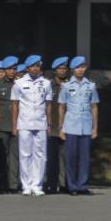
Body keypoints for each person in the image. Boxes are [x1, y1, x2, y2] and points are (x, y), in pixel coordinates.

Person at [11, 55, 52, 196]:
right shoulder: (19, 83)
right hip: (24, 122)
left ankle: (37, 185)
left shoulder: (46, 83)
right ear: (27, 68)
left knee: (40, 155)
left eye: (38, 66)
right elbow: (15, 105)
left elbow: (48, 105)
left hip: (41, 122)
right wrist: (14, 124)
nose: (35, 69)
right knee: (25, 154)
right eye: (32, 66)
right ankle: (26, 185)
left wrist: (49, 124)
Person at [58, 56, 99, 196]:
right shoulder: (66, 85)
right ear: (72, 70)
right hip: (70, 125)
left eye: (82, 67)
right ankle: (72, 186)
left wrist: (95, 128)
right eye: (77, 68)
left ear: (85, 68)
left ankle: (83, 185)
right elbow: (61, 107)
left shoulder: (91, 85)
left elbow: (94, 106)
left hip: (86, 125)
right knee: (70, 157)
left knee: (84, 158)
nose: (80, 70)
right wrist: (61, 128)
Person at [0, 55, 19, 193]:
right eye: (9, 69)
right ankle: (1, 184)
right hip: (3, 123)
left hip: (18, 123)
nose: (12, 71)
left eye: (14, 69)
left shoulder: (19, 83)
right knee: (2, 156)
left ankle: (13, 185)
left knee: (15, 156)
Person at [45, 56, 69, 194]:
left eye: (64, 68)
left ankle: (65, 184)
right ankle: (51, 185)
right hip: (52, 126)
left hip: (69, 126)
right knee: (52, 158)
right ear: (55, 71)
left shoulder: (70, 84)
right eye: (60, 68)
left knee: (65, 158)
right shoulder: (49, 85)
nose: (62, 71)